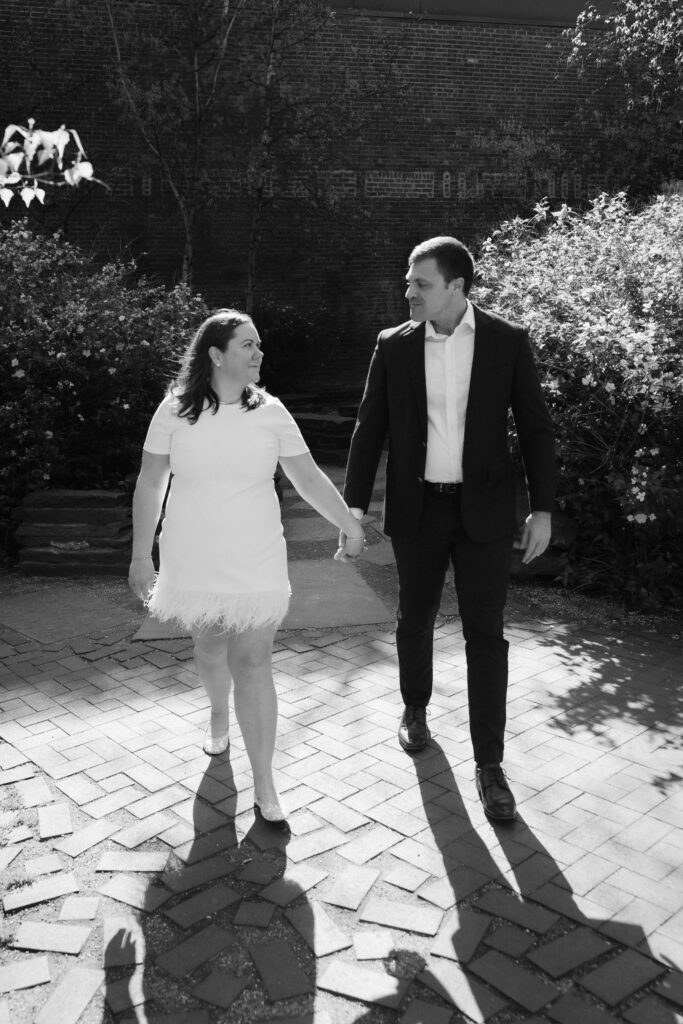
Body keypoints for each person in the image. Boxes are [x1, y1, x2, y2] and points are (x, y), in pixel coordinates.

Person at [339, 236, 556, 820]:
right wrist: (352, 510)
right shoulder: (393, 346)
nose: (408, 292)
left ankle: (490, 764)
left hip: (484, 512)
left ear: (457, 287)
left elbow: (535, 429)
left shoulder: (506, 343)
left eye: (421, 283)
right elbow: (369, 429)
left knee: (486, 634)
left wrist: (543, 508)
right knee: (415, 619)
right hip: (419, 511)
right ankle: (414, 709)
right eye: (409, 282)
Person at [128, 309, 364, 831]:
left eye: (259, 345)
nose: (259, 353)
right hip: (195, 552)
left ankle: (264, 781)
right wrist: (141, 554)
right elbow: (151, 484)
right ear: (215, 354)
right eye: (248, 345)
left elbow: (306, 477)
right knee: (210, 645)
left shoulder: (271, 411)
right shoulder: (174, 410)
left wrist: (349, 523)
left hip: (257, 554)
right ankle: (218, 712)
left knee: (253, 660)